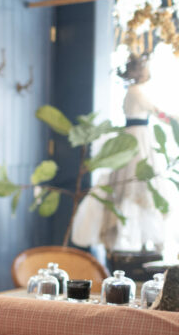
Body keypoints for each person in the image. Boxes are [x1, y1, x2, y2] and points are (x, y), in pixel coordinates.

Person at [73, 54, 178, 255]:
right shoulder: (136, 91)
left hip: (134, 136)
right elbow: (157, 112)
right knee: (139, 186)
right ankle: (139, 244)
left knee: (135, 189)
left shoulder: (131, 91)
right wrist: (174, 119)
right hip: (137, 140)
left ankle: (142, 243)